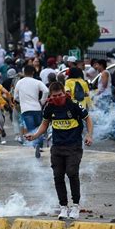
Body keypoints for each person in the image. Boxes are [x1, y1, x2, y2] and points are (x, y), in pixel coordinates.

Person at [26, 82, 93, 220]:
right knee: (58, 176)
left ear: (65, 93)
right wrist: (34, 136)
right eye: (54, 96)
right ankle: (63, 206)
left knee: (72, 173)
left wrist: (89, 135)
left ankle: (75, 205)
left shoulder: (74, 105)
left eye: (60, 95)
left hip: (74, 146)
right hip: (57, 146)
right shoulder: (49, 107)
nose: (57, 98)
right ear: (50, 96)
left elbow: (88, 119)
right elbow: (44, 124)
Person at [14, 65, 49, 158]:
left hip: (25, 109)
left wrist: (21, 100)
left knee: (31, 129)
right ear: (33, 72)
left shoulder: (19, 83)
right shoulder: (37, 82)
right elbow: (46, 91)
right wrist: (42, 101)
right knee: (39, 128)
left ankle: (36, 145)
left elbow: (15, 97)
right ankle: (39, 145)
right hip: (37, 108)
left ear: (24, 72)